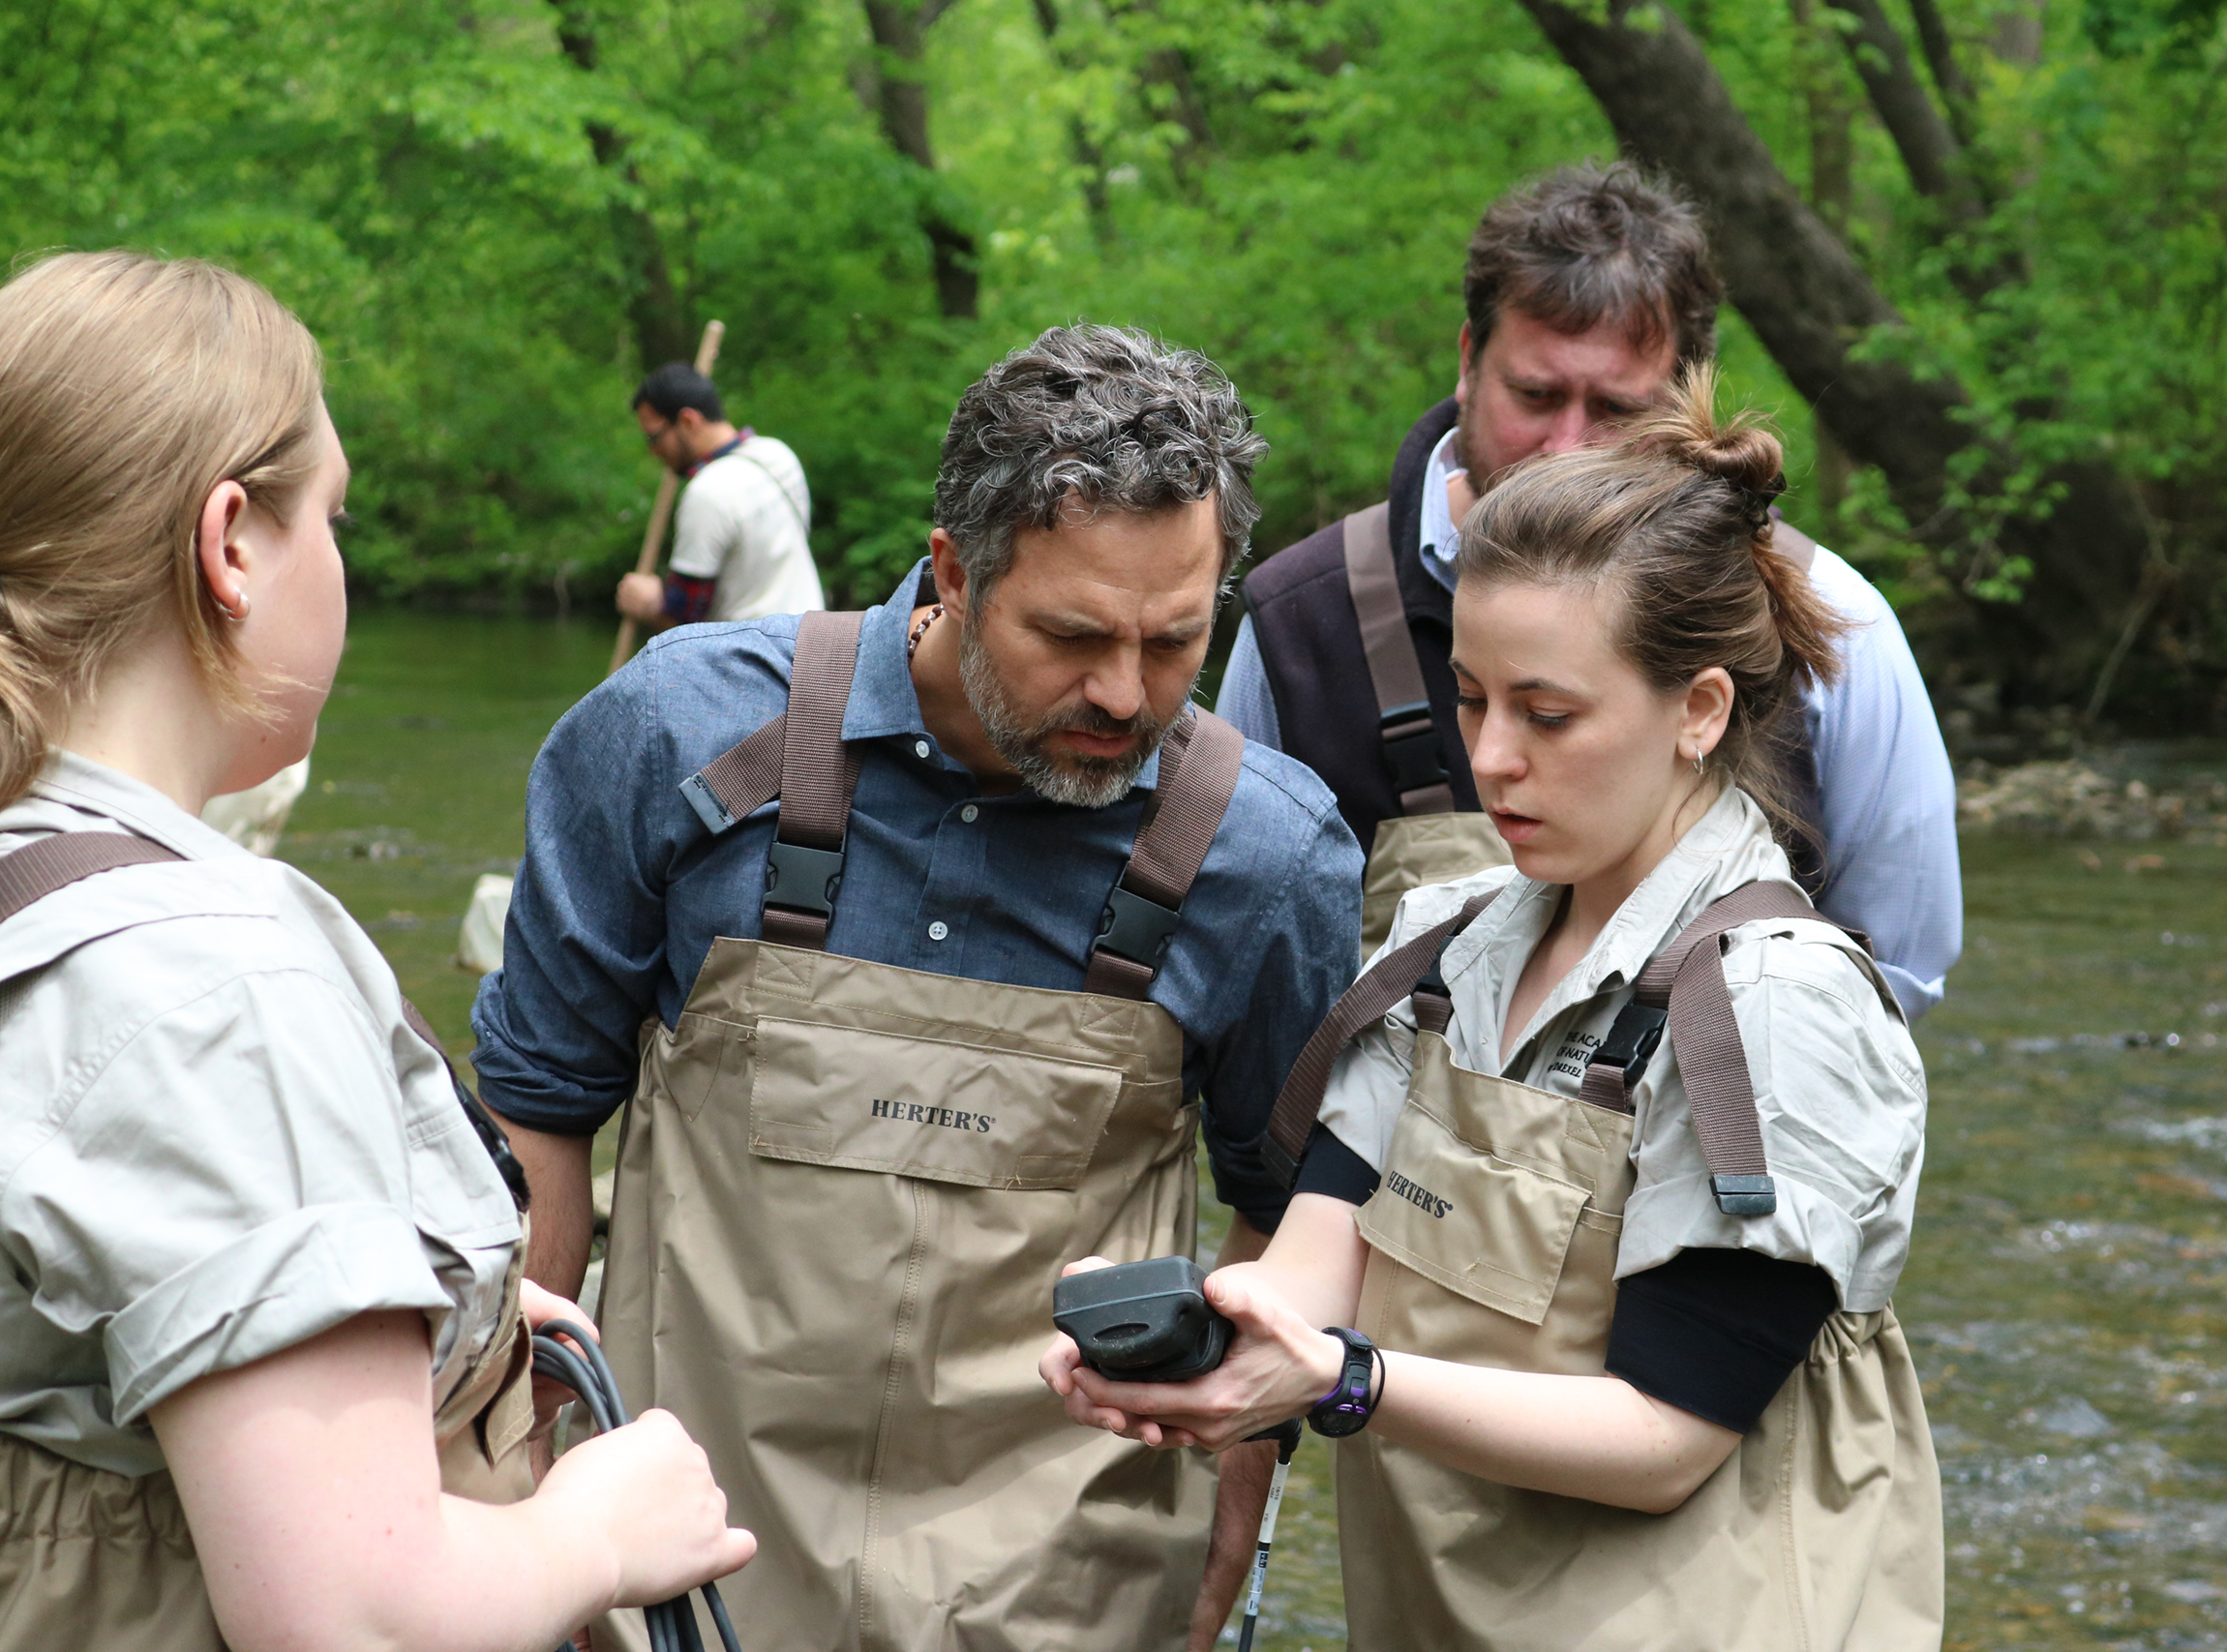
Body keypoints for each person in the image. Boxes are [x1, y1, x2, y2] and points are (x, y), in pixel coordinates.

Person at [472, 324, 1365, 1652]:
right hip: (672, 1559)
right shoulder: (673, 733)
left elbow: (1285, 1216)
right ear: (951, 570)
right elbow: (538, 1114)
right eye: (1071, 635)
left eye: (1176, 641)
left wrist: (1228, 1518)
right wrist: (502, 1477)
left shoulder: (1273, 853)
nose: (1125, 695)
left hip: (1070, 1585)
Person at [1048, 374, 1941, 1651]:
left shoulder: (1773, 1008)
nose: (1492, 756)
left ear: (1699, 710)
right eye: (1472, 696)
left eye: (1549, 712)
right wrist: (1212, 1342)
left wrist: (1344, 1380)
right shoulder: (1442, 940)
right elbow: (1322, 1257)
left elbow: (1666, 1437)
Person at [0, 252, 752, 1650]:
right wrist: (602, 1525)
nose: (340, 561)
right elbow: (354, 1616)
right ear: (229, 544)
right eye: (331, 518)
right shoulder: (214, 982)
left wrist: (415, 1311)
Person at [1222, 162, 1960, 1018]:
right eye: (1535, 395)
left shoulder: (1835, 618)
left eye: (1615, 408)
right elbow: (1239, 960)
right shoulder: (1300, 621)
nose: (1568, 446)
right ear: (1468, 360)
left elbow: (1893, 972)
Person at [615, 362, 824, 628]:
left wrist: (647, 604)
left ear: (688, 421)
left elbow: (685, 627)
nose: (653, 451)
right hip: (815, 644)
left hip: (756, 662)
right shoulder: (778, 455)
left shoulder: (707, 493)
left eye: (654, 438)